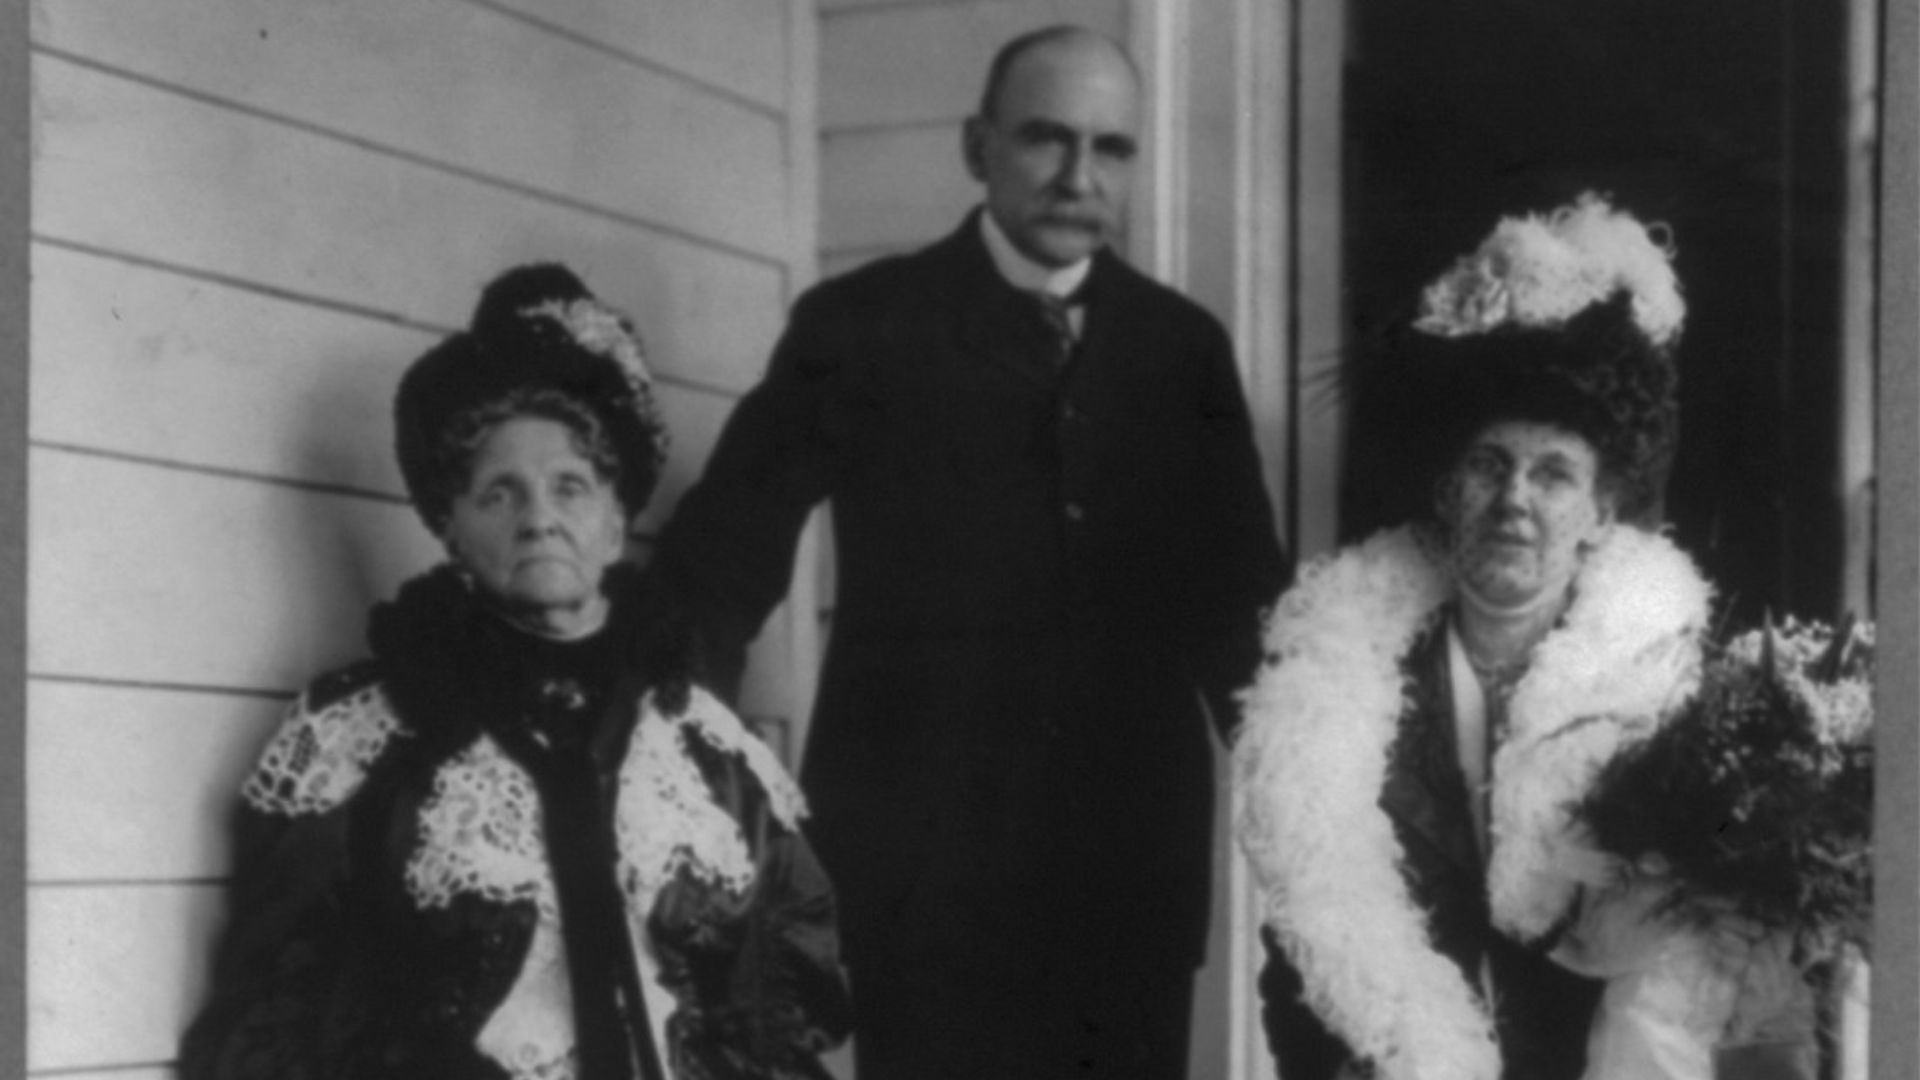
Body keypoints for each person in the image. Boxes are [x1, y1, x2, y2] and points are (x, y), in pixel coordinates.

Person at [652, 24, 1290, 1080]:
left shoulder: (1183, 350)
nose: (1081, 176)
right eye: (1047, 139)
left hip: (1126, 873)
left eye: (1113, 148)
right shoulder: (860, 326)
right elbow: (724, 556)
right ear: (976, 144)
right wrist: (651, 753)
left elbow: (1242, 613)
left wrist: (1326, 796)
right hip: (923, 873)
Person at [178, 264, 851, 1080]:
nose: (539, 518)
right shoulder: (359, 745)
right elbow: (279, 1023)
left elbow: (781, 1019)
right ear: (450, 525)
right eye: (500, 493)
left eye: (570, 487)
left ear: (614, 519)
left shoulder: (707, 752)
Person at [1232, 193, 1793, 1080]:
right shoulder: (1350, 693)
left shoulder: (1666, 699)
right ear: (1448, 487)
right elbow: (1297, 965)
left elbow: (1710, 968)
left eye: (1554, 473)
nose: (1516, 501)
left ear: (1602, 507)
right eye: (1490, 464)